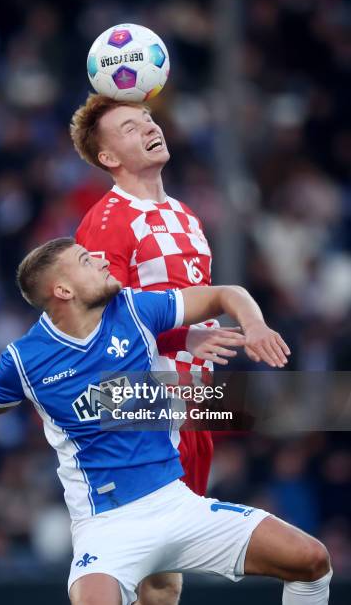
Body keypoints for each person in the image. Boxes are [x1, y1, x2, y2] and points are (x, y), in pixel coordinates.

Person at [0, 238, 331, 605]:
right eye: (87, 260)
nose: (102, 259)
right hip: (107, 528)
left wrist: (253, 324)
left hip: (175, 504)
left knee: (312, 560)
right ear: (62, 290)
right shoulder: (25, 360)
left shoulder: (134, 310)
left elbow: (224, 293)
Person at [71, 94, 240, 603]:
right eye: (129, 126)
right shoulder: (105, 223)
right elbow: (103, 322)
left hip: (192, 407)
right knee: (139, 568)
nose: (148, 126)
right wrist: (184, 335)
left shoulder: (187, 215)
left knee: (167, 574)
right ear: (109, 158)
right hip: (138, 408)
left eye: (146, 117)